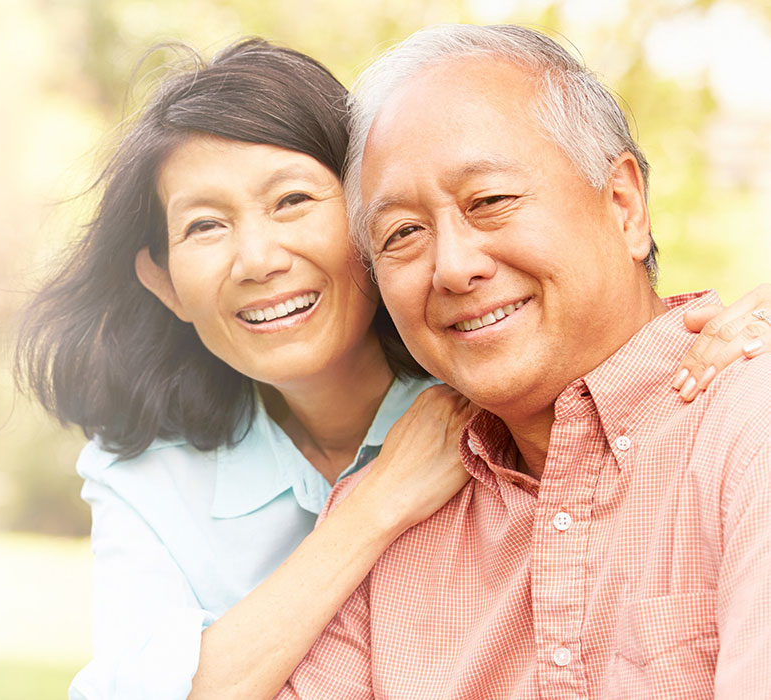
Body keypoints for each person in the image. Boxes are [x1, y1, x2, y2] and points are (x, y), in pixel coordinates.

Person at [16, 38, 769, 700]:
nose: (258, 260)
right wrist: (373, 511)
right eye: (406, 229)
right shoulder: (175, 476)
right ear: (163, 280)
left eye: (491, 200)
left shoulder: (720, 413)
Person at [279, 24, 771, 699]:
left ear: (624, 205)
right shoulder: (387, 517)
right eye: (402, 234)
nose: (452, 268)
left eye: (490, 201)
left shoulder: (749, 429)